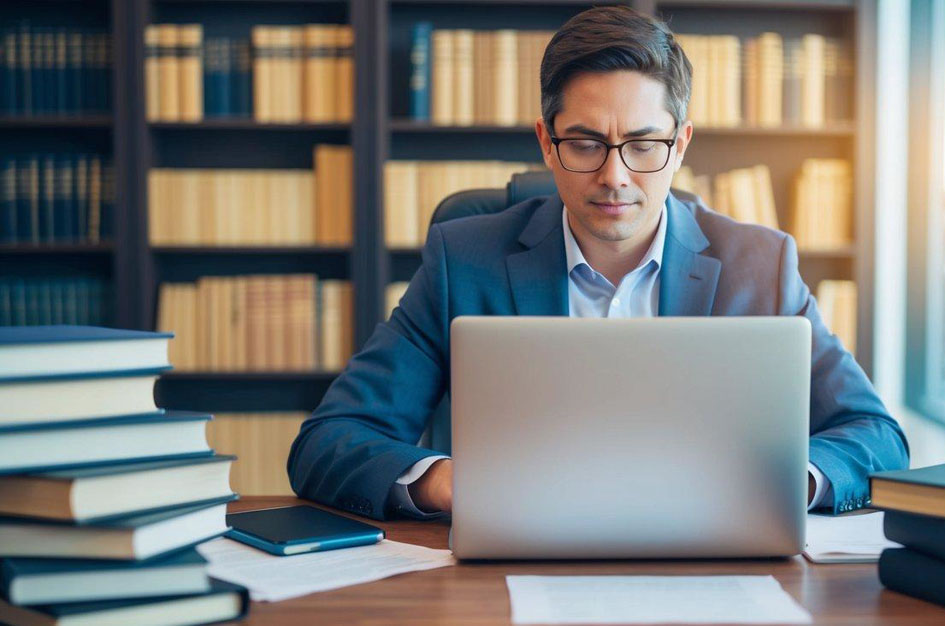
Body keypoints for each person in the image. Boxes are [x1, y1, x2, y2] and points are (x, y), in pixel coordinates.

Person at [287, 6, 909, 521]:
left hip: (716, 558)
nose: (615, 177)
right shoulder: (463, 260)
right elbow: (328, 441)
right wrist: (449, 483)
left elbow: (876, 436)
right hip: (514, 560)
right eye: (585, 143)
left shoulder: (762, 266)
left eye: (643, 145)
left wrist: (787, 484)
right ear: (546, 143)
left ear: (680, 144)